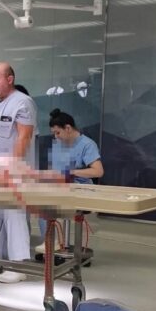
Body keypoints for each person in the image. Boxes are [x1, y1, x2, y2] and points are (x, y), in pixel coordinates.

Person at [0, 62, 37, 281]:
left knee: (14, 217)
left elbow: (24, 137)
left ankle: (19, 266)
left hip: (14, 172)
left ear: (10, 79)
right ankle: (1, 262)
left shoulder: (22, 102)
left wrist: (11, 169)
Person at [37, 108, 104, 254]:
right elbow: (54, 170)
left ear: (68, 128)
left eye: (58, 132)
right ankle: (51, 241)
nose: (56, 136)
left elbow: (98, 171)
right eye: (54, 133)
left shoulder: (87, 145)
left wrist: (72, 172)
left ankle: (55, 242)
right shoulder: (58, 143)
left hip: (81, 188)